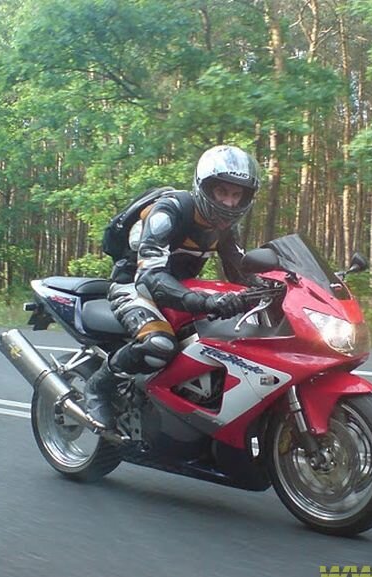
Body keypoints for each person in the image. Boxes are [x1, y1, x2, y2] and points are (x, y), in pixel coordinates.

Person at [84, 145, 262, 428]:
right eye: (222, 192)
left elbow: (242, 270)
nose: (229, 203)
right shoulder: (169, 211)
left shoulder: (224, 228)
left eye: (236, 194)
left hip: (179, 293)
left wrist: (281, 284)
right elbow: (150, 276)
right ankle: (98, 387)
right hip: (134, 287)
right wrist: (205, 301)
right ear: (205, 187)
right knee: (158, 345)